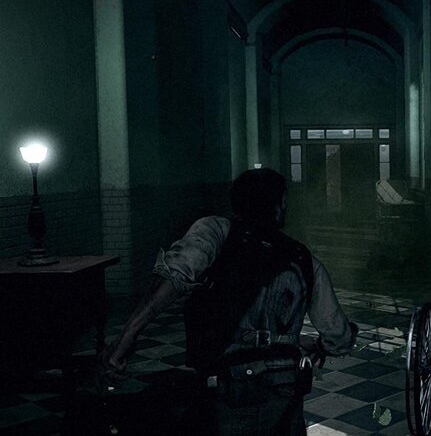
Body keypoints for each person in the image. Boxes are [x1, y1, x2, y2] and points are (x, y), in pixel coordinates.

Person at [98, 168, 358, 435]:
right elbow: (339, 338)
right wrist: (306, 343)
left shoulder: (217, 232)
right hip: (284, 389)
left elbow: (176, 274)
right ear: (281, 204)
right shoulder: (305, 260)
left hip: (228, 385)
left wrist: (128, 335)